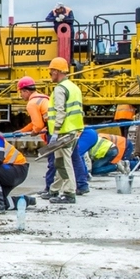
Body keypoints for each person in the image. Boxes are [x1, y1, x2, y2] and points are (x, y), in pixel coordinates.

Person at [46, 57, 84, 204]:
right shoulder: (73, 87)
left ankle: (69, 193)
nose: (50, 76)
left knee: (65, 162)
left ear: (57, 71)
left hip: (64, 131)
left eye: (51, 72)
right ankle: (54, 190)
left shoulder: (60, 89)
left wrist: (55, 132)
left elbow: (60, 111)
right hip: (72, 130)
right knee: (60, 162)